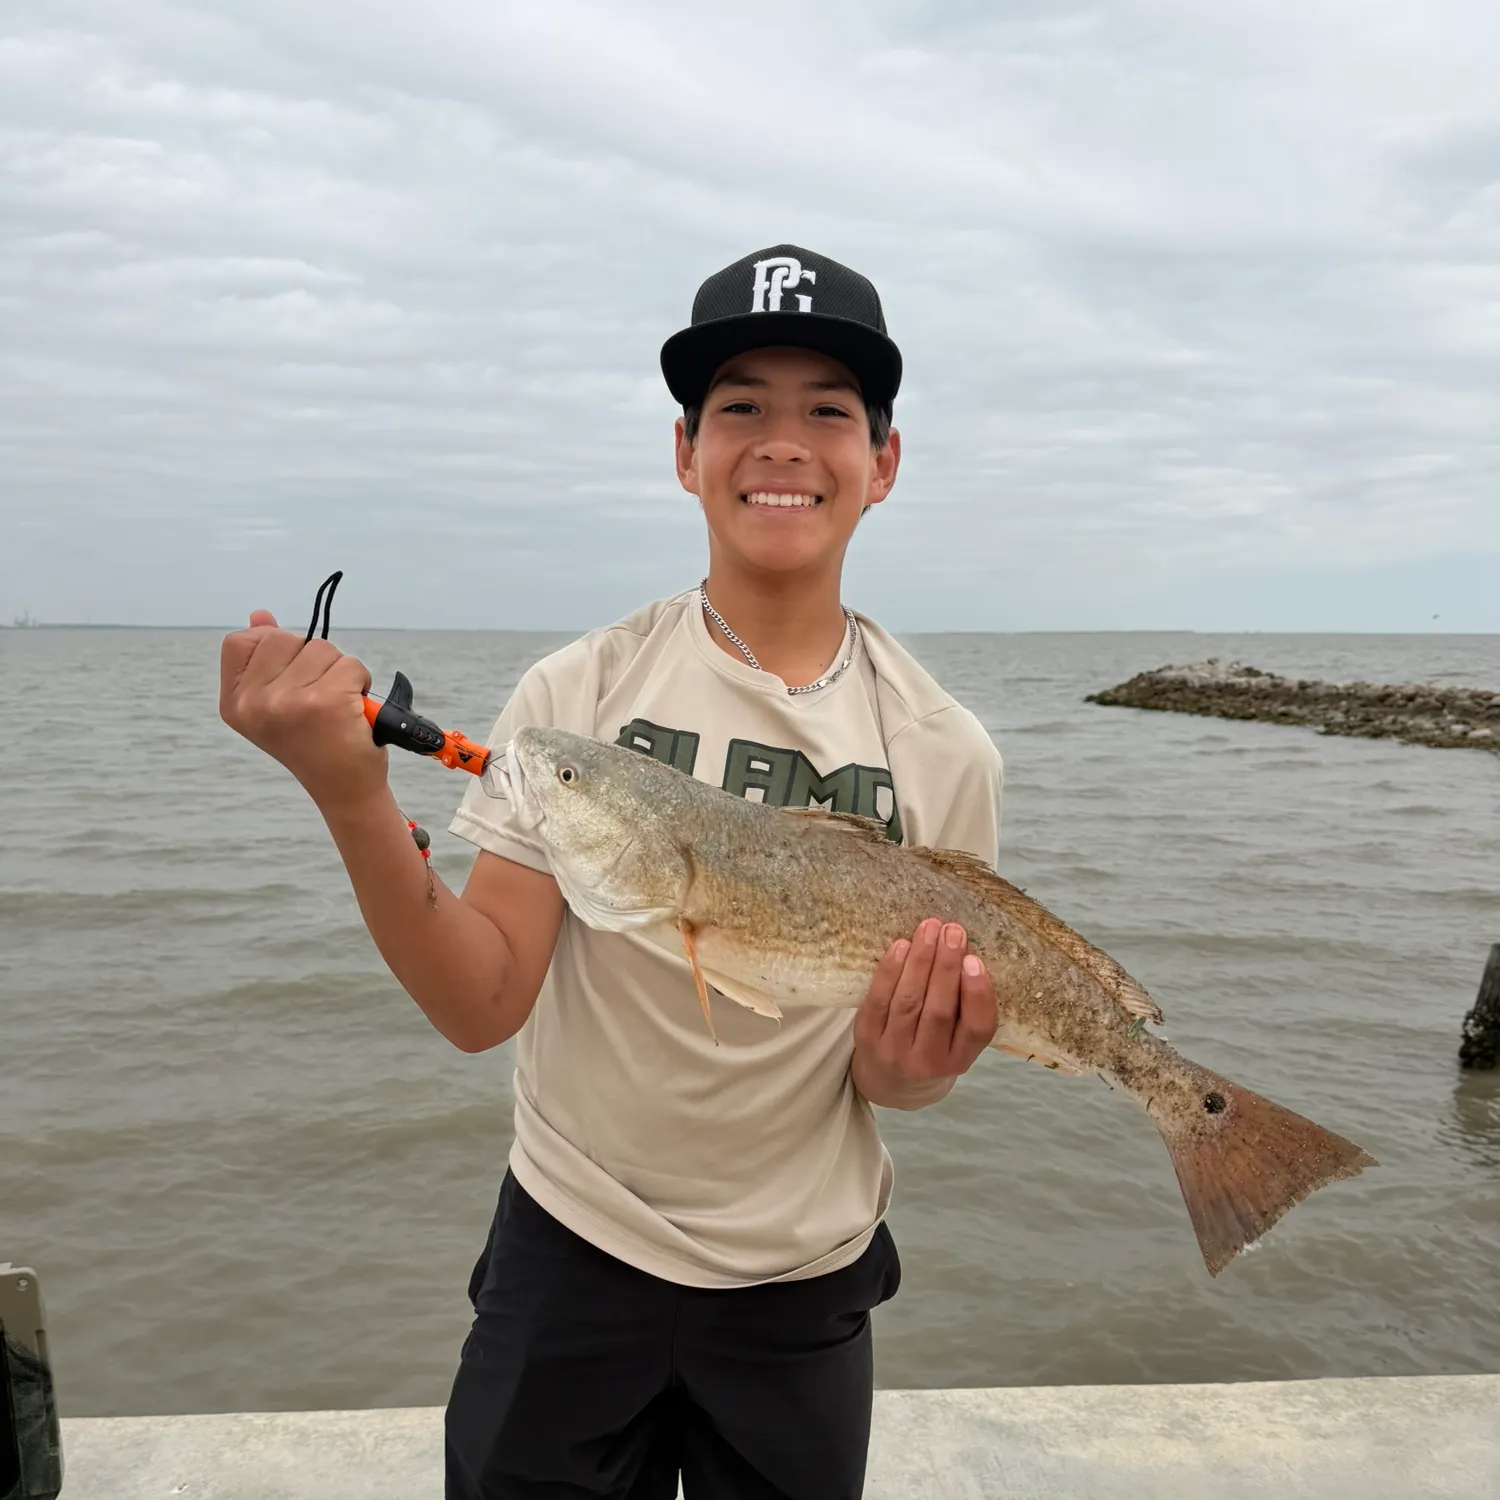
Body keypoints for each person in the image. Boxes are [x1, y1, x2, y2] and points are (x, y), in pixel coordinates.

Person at [218, 244, 1004, 1500]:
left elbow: (886, 1078)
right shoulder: (574, 699)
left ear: (885, 461)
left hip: (800, 1283)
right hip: (569, 1252)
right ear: (686, 452)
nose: (782, 443)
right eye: (740, 406)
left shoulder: (943, 749)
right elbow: (481, 1005)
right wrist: (350, 794)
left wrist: (916, 1070)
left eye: (829, 412)